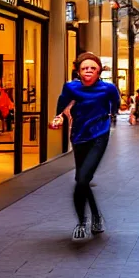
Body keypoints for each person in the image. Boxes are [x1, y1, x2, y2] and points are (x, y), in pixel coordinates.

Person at [50, 52, 120, 241]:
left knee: (82, 180)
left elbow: (116, 105)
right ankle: (96, 217)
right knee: (83, 180)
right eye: (84, 68)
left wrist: (108, 116)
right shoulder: (71, 87)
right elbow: (61, 105)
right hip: (79, 136)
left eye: (92, 68)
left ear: (99, 71)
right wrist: (58, 117)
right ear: (78, 72)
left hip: (99, 135)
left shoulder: (108, 88)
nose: (88, 71)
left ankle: (82, 222)